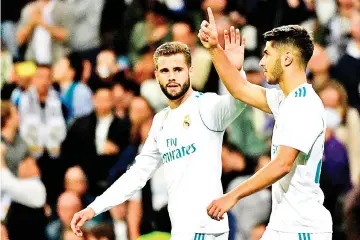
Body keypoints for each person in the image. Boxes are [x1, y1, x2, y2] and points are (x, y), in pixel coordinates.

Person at [70, 41, 247, 240]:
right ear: (156, 76)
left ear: (190, 71)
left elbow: (239, 102)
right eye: (165, 70)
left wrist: (236, 72)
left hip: (206, 228)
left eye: (178, 69)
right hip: (180, 230)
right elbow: (136, 174)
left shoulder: (206, 105)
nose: (171, 76)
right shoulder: (161, 121)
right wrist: (94, 208)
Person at [198, 7, 332, 240]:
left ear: (287, 58)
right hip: (284, 224)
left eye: (267, 54)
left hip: (303, 229)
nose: (261, 62)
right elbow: (241, 89)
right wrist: (215, 50)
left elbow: (282, 164)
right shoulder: (287, 100)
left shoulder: (304, 105)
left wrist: (233, 195)